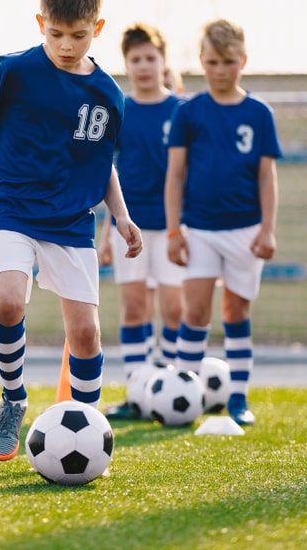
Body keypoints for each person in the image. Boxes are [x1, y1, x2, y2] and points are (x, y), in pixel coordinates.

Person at [0, 0, 142, 461]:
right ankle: (13, 398)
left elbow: (102, 164)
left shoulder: (108, 95)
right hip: (10, 208)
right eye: (56, 34)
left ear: (97, 28)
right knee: (8, 302)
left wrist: (120, 215)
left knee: (86, 334)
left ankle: (89, 431)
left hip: (71, 221)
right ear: (40, 25)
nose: (67, 45)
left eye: (78, 35)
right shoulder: (15, 71)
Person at [164, 18, 281, 426]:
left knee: (236, 311)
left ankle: (238, 398)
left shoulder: (259, 114)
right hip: (198, 229)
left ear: (243, 61)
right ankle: (185, 392)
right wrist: (175, 230)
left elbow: (267, 177)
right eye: (212, 61)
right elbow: (175, 176)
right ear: (201, 61)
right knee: (194, 312)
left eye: (229, 61)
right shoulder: (189, 113)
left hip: (246, 231)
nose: (220, 70)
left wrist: (267, 229)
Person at [96, 23, 184, 420]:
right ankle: (136, 392)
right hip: (128, 227)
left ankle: (169, 387)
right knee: (134, 310)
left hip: (172, 229)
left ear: (163, 62)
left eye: (151, 58)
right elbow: (106, 173)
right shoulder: (120, 109)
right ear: (127, 64)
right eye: (136, 59)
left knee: (174, 309)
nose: (144, 65)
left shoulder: (181, 111)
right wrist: (105, 231)